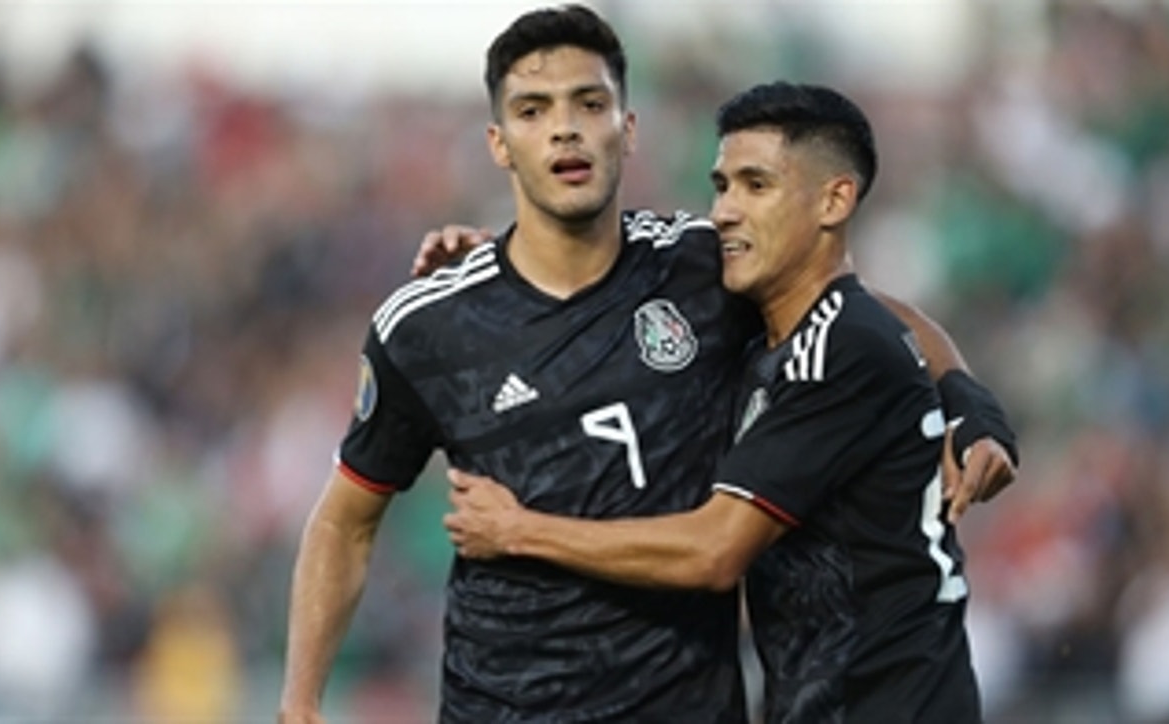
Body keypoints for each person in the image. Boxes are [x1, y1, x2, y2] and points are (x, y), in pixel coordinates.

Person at [279, 6, 1014, 723]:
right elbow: (346, 522)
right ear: (500, 144)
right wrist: (300, 703)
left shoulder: (699, 267)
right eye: (534, 110)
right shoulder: (429, 326)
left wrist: (965, 398)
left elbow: (866, 312)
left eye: (589, 103)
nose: (565, 126)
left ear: (627, 130)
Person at [444, 81, 1013, 723]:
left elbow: (715, 551)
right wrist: (508, 262)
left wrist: (520, 531)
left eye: (756, 185)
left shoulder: (840, 348)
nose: (724, 211)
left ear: (834, 200)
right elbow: (905, 323)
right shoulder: (791, 325)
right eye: (721, 185)